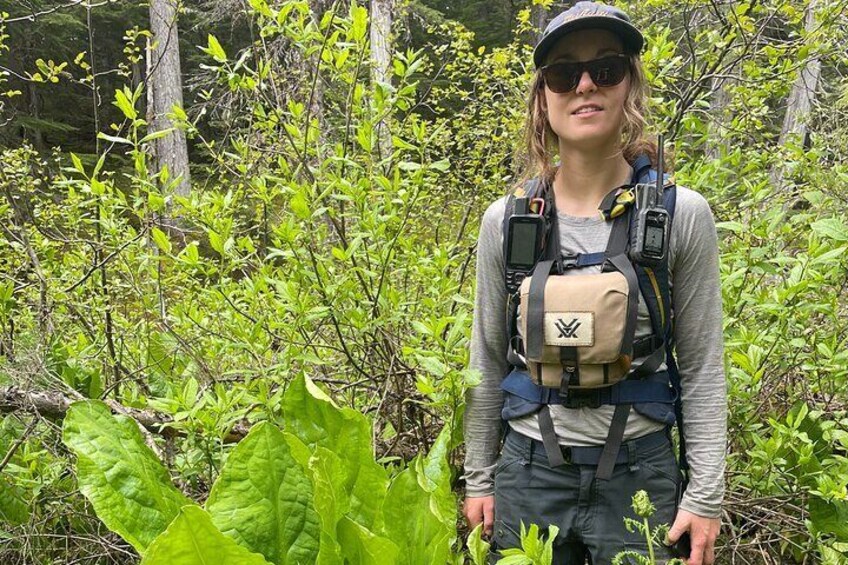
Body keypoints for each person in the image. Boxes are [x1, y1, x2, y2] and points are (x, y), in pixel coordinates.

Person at [461, 3, 726, 564]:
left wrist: (704, 496)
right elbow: (486, 360)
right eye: (563, 72)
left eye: (606, 68)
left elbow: (703, 365)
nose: (584, 84)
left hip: (641, 476)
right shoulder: (505, 222)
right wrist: (479, 478)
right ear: (543, 96)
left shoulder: (681, 216)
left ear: (630, 84)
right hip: (526, 475)